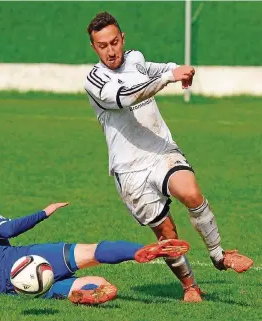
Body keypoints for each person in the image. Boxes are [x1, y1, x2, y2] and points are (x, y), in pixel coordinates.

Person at [84, 12, 253, 302]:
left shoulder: (134, 58)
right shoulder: (95, 80)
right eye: (102, 46)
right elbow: (127, 95)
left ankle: (219, 255)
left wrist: (179, 70)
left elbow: (155, 68)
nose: (111, 51)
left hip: (161, 151)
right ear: (94, 48)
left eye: (114, 42)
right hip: (129, 170)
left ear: (123, 39)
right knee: (166, 233)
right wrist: (167, 78)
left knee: (191, 192)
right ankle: (190, 286)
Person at [0, 177, 190, 305]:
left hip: (10, 286)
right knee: (89, 251)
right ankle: (141, 251)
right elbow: (7, 231)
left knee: (103, 285)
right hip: (21, 261)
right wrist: (44, 212)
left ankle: (82, 295)